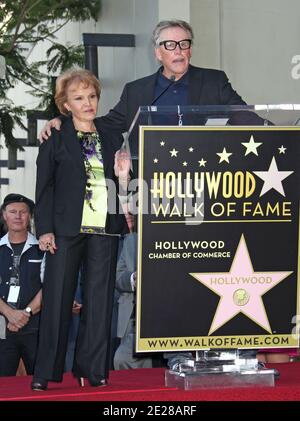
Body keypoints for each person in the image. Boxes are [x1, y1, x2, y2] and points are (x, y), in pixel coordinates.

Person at [31, 68, 130, 391]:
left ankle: (94, 370)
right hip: (64, 230)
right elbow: (44, 188)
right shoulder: (54, 136)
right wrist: (44, 230)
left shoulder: (112, 132)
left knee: (100, 301)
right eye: (79, 98)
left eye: (92, 96)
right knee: (57, 299)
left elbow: (124, 179)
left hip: (105, 227)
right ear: (66, 105)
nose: (88, 103)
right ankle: (44, 373)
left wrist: (125, 175)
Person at [40, 19, 264, 158]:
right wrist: (65, 121)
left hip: (206, 177)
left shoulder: (214, 81)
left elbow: (243, 115)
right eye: (170, 45)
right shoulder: (136, 91)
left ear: (190, 50)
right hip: (153, 185)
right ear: (158, 53)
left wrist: (285, 134)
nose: (178, 50)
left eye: (184, 44)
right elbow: (107, 126)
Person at [0, 193, 44, 376]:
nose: (18, 216)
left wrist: (24, 314)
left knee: (41, 384)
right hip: (3, 330)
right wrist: (9, 313)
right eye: (13, 211)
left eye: (23, 212)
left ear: (30, 216)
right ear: (4, 215)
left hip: (36, 330)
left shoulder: (43, 249)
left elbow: (49, 288)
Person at [114, 229, 152, 370]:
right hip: (135, 320)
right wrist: (133, 279)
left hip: (169, 318)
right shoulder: (131, 239)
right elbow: (117, 277)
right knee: (122, 358)